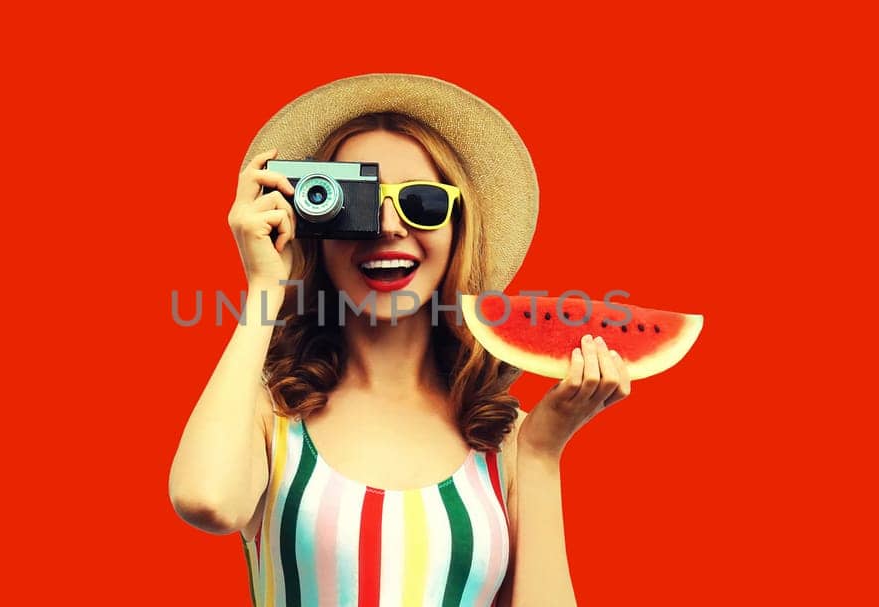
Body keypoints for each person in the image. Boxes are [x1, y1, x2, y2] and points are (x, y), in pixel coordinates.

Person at [169, 74, 633, 606]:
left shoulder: (506, 441)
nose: (389, 226)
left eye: (422, 202)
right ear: (312, 225)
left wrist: (543, 454)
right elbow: (205, 500)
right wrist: (266, 286)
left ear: (459, 228)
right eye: (359, 203)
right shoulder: (267, 416)